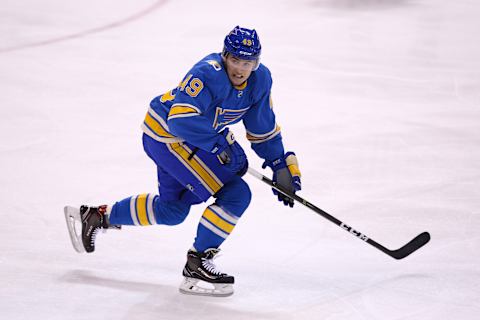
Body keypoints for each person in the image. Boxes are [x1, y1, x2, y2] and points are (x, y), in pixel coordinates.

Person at [64, 26, 302, 297]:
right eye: (235, 60)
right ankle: (197, 264)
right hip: (170, 137)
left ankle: (96, 216)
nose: (240, 69)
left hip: (176, 138)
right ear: (225, 56)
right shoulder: (207, 73)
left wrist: (280, 163)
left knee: (172, 211)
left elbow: (261, 127)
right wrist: (219, 145)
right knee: (236, 194)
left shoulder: (260, 81)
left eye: (247, 62)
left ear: (256, 63)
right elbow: (181, 120)